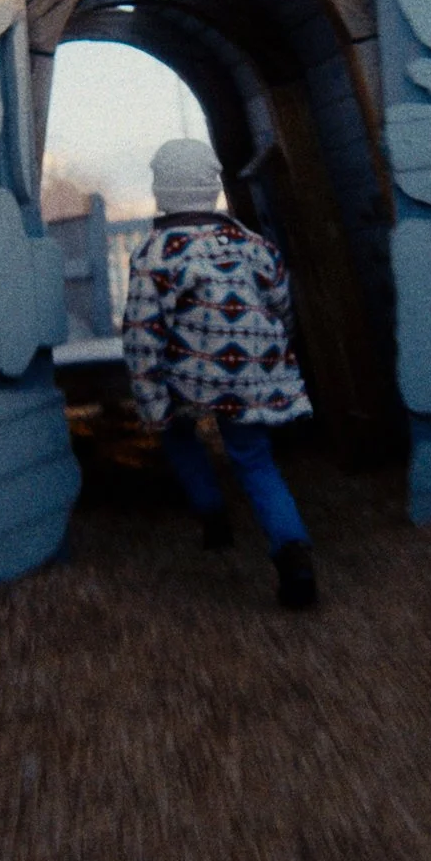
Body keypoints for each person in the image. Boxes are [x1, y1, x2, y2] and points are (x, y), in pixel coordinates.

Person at [120, 138, 318, 609]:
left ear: (161, 190)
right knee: (254, 458)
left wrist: (152, 402)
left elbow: (142, 334)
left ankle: (212, 516)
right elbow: (281, 307)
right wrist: (266, 360)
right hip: (251, 373)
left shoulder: (155, 254)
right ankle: (293, 554)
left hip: (188, 376)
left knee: (177, 431)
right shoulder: (253, 244)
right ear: (212, 188)